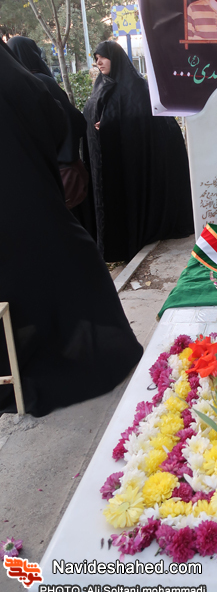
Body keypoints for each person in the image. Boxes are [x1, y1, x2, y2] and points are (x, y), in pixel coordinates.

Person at [0, 39, 143, 417]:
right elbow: (58, 119)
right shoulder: (22, 81)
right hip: (37, 203)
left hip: (18, 214)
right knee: (68, 273)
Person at [83, 40, 193, 262]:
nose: (99, 62)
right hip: (110, 157)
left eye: (103, 57)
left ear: (115, 58)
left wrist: (111, 123)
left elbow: (145, 121)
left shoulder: (137, 87)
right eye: (96, 59)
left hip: (133, 156)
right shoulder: (100, 85)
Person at [7, 36, 89, 210]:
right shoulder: (42, 82)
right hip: (64, 172)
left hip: (35, 176)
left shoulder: (13, 87)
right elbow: (74, 121)